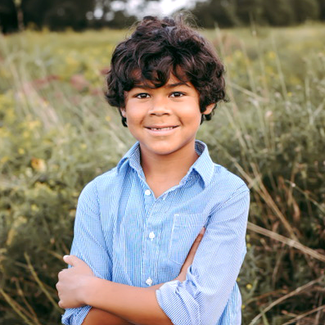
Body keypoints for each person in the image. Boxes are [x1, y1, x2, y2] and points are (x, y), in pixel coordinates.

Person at [56, 15, 250, 325]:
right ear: (123, 105)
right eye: (142, 95)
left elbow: (198, 315)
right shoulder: (98, 195)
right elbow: (81, 317)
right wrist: (172, 299)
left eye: (177, 93)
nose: (158, 109)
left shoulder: (227, 194)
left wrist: (90, 288)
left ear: (206, 103)